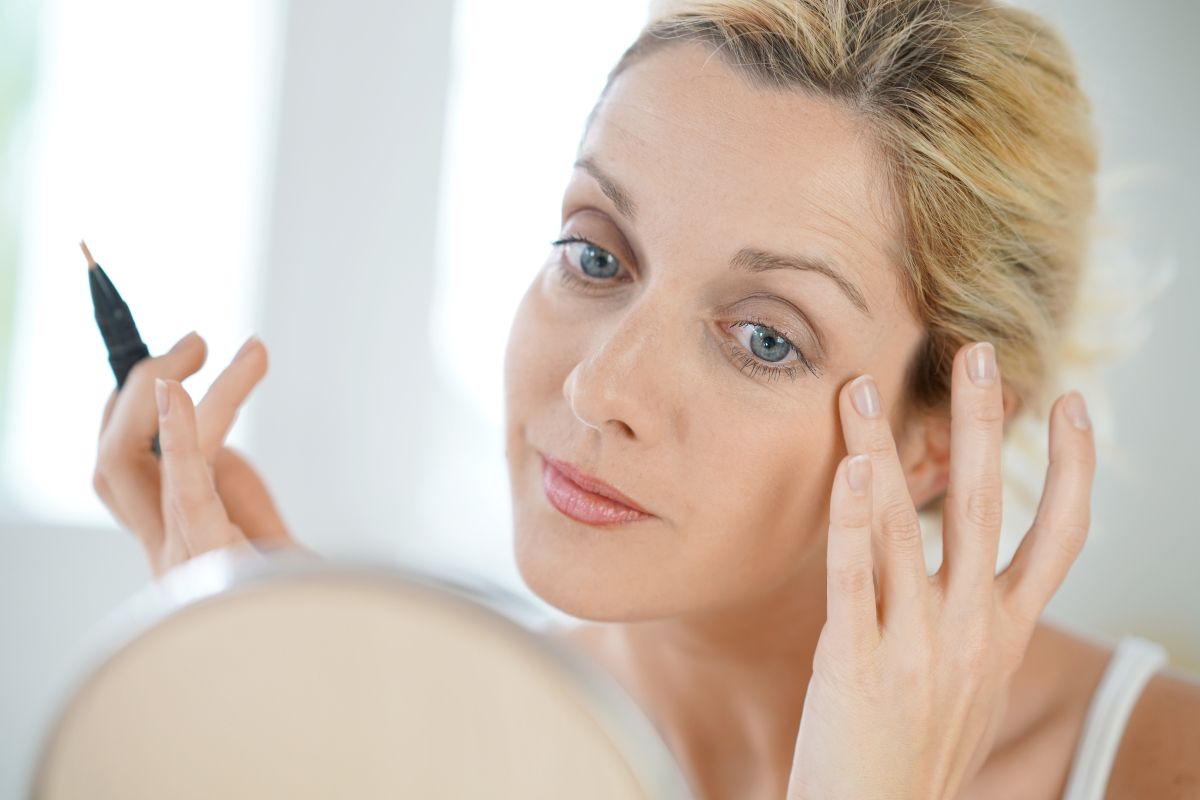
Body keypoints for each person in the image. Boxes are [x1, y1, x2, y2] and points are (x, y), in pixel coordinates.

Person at [92, 1, 1200, 797]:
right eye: (596, 254)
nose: (598, 385)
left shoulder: (1160, 765)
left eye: (765, 338)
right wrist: (279, 739)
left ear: (936, 442)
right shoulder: (436, 745)